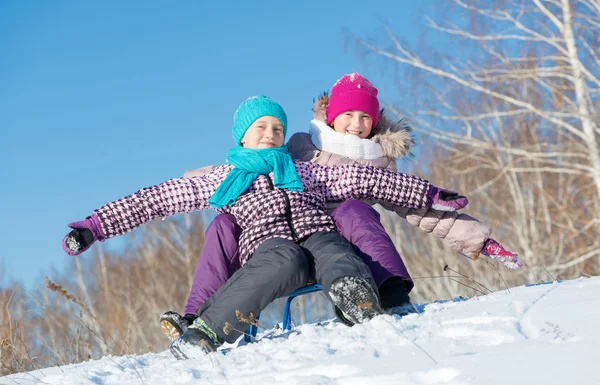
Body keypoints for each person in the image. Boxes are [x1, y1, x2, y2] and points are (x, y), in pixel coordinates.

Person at [62, 95, 468, 358]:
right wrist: (94, 227)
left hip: (316, 235)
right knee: (284, 258)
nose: (271, 134)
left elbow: (368, 180)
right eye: (261, 128)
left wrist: (429, 194)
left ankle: (356, 299)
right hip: (269, 249)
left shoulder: (305, 171)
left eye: (277, 128)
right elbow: (155, 199)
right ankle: (207, 331)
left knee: (337, 251)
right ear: (243, 136)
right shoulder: (223, 177)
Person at [159, 73, 524, 341]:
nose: (356, 124)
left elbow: (415, 206)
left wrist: (478, 238)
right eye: (348, 115)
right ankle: (196, 317)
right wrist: (196, 183)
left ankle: (388, 290)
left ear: (375, 123)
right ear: (330, 115)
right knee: (224, 223)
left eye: (365, 118)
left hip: (339, 247)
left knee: (353, 209)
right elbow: (252, 165)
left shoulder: (378, 162)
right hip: (277, 239)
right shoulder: (302, 147)